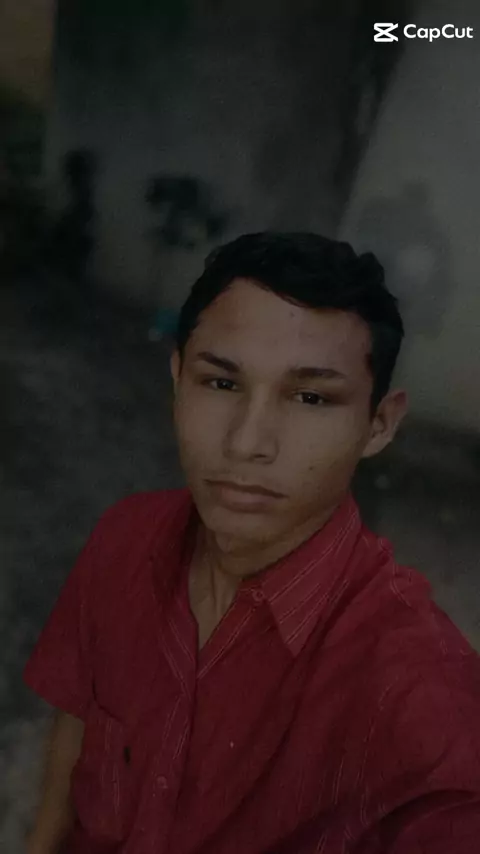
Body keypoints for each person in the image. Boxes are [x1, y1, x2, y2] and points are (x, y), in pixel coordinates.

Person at [24, 232, 480, 854]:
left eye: (311, 397)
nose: (246, 443)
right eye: (221, 383)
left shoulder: (421, 701)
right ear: (178, 379)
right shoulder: (125, 537)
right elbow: (75, 723)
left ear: (378, 424)